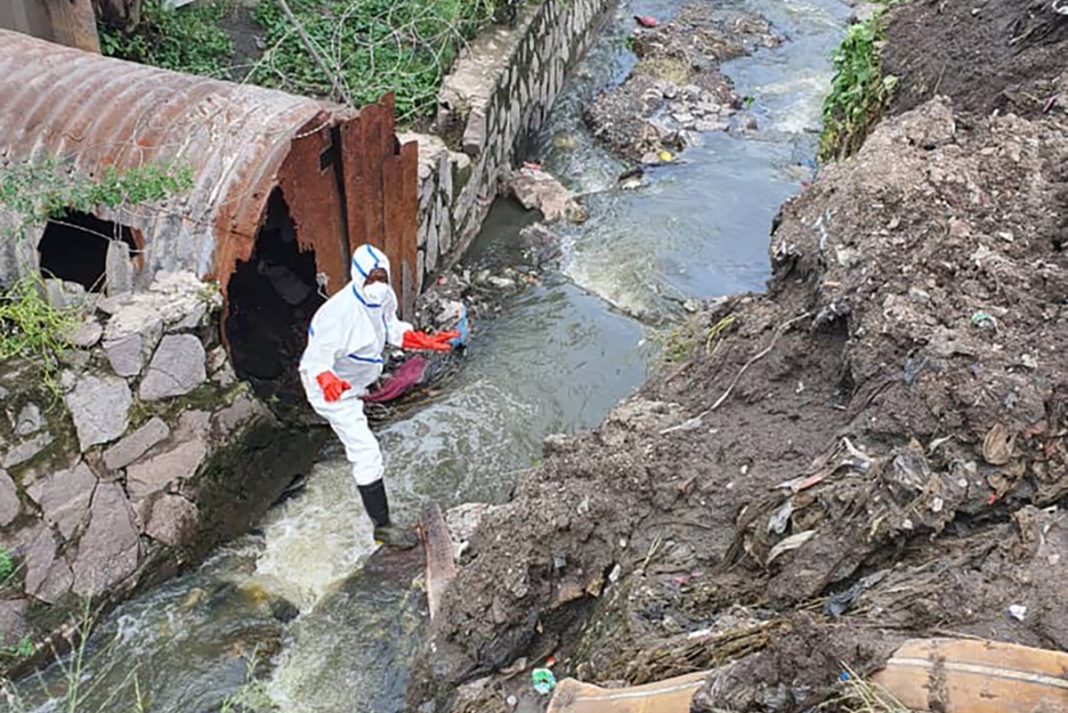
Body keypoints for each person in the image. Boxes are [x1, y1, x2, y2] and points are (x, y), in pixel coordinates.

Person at [299, 244, 456, 548]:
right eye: (371, 279)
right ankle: (382, 527)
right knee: (366, 452)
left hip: (356, 382)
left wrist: (420, 340)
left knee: (365, 445)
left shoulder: (384, 297)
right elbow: (313, 361)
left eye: (381, 277)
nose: (377, 284)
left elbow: (390, 327)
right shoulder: (337, 315)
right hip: (331, 390)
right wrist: (327, 379)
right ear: (358, 278)